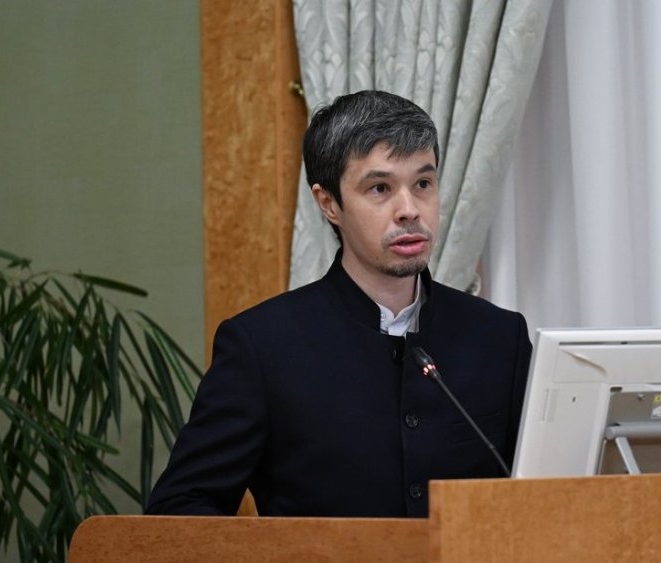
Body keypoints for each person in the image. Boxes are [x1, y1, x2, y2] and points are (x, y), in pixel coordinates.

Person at [146, 90, 532, 518]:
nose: (409, 210)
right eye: (380, 188)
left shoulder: (500, 337)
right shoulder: (263, 347)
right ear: (329, 203)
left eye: (423, 184)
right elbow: (178, 508)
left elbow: (548, 493)